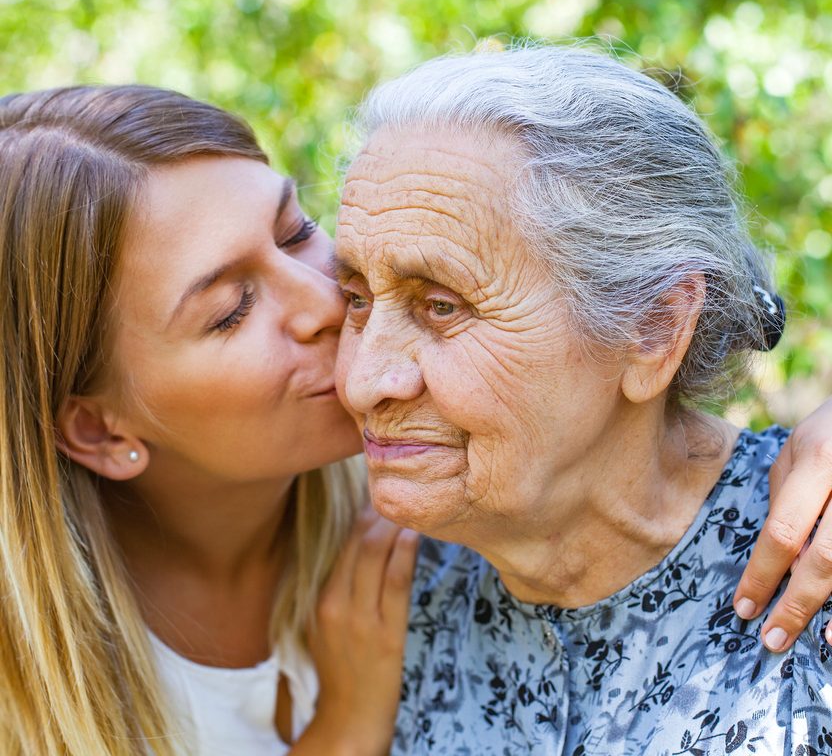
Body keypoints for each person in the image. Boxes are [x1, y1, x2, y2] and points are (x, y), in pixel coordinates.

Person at [333, 44, 832, 753]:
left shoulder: (816, 566)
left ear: (653, 330)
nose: (362, 381)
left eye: (441, 306)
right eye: (356, 298)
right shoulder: (378, 589)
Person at [0, 85, 417, 756]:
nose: (327, 303)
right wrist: (343, 729)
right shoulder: (26, 691)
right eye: (231, 311)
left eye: (296, 232)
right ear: (100, 432)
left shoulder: (437, 505)